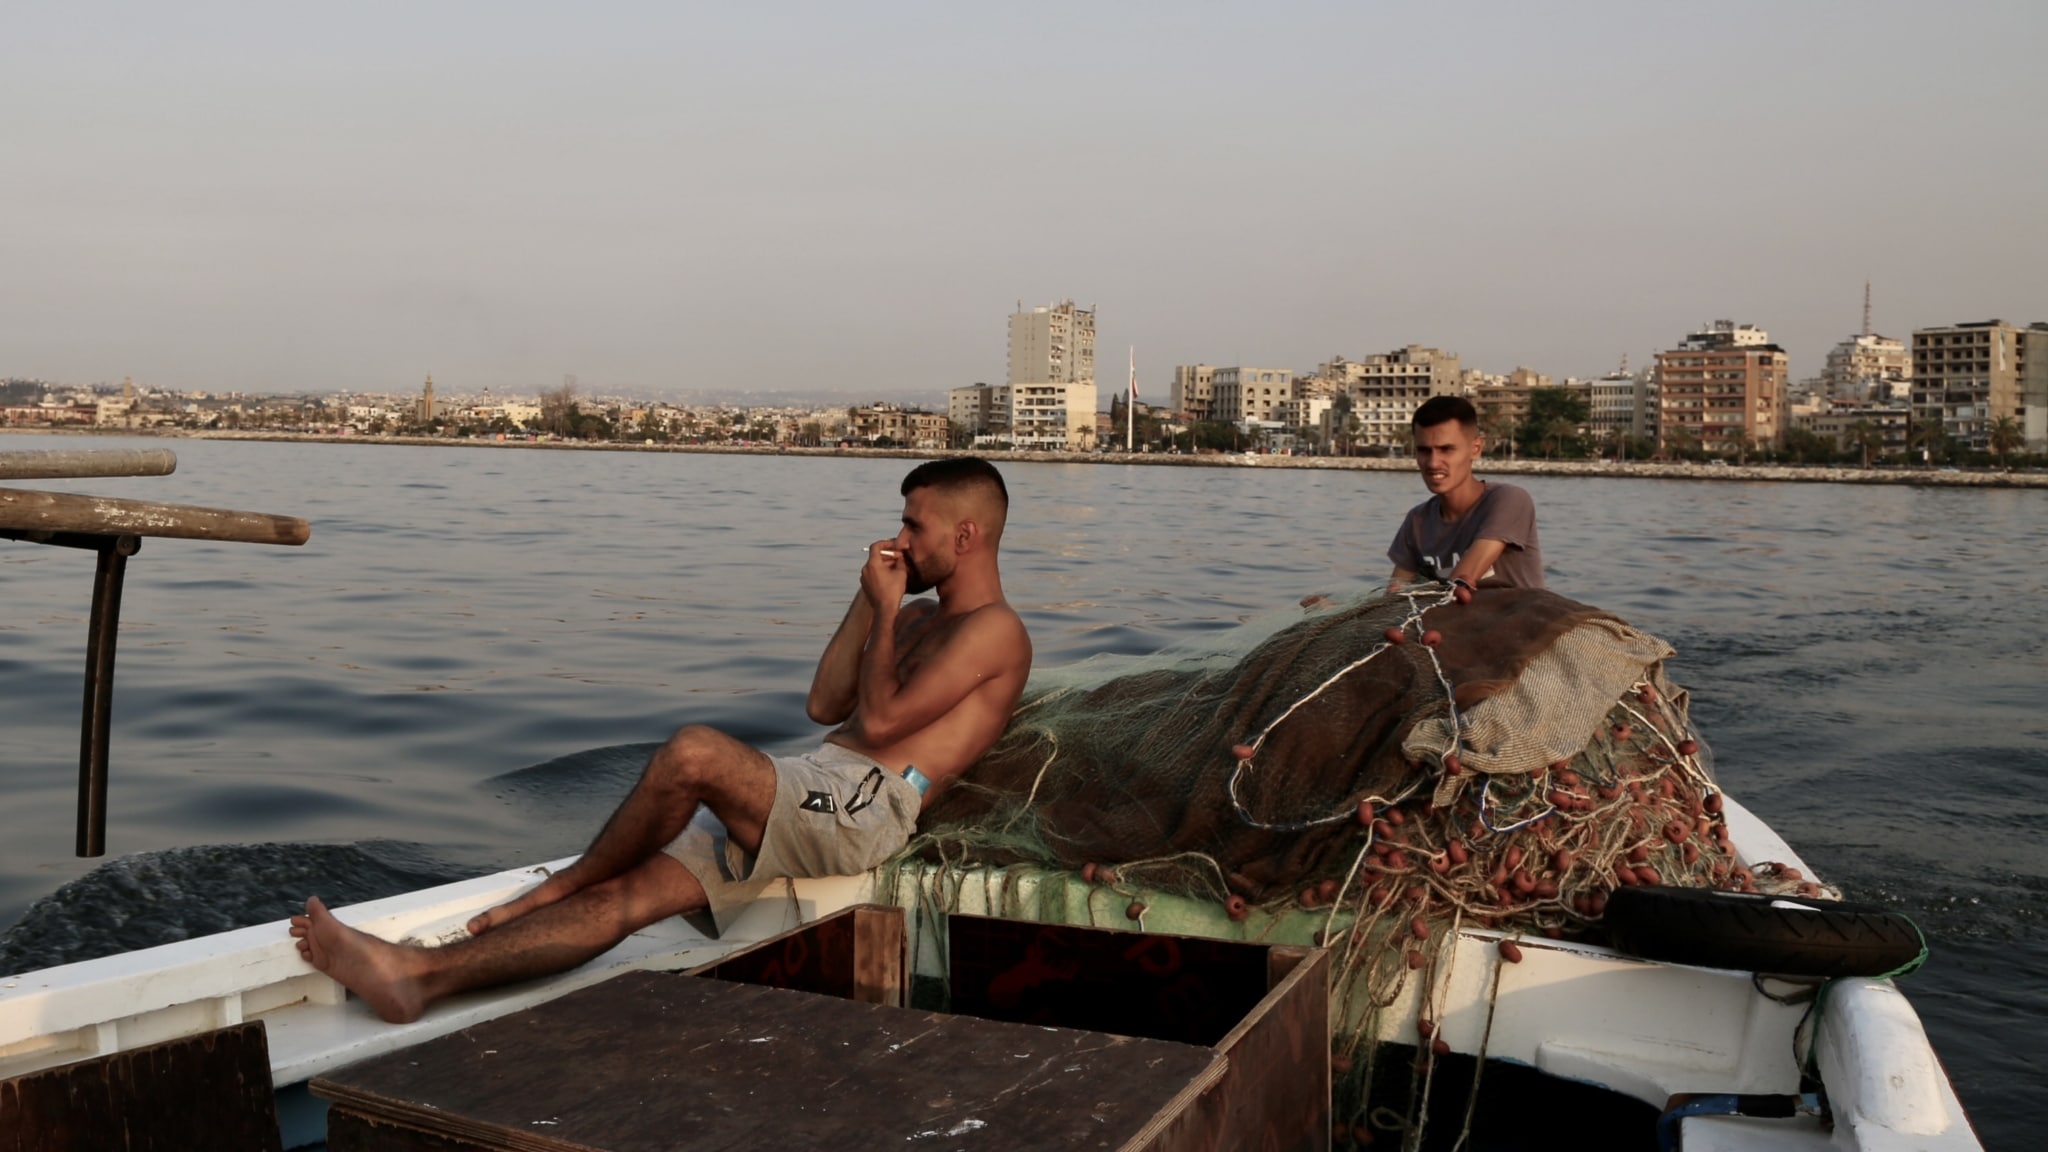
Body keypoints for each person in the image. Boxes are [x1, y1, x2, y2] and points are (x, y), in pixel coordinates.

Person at [291, 457, 1033, 1023]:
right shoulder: (913, 619)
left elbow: (876, 724)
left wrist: (887, 604)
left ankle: (557, 885)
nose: (899, 538)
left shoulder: (995, 631)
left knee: (694, 753)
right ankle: (419, 979)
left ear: (965, 536)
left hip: (863, 809)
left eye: (914, 526)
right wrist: (869, 600)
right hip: (812, 787)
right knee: (628, 899)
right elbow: (823, 702)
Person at [1386, 396, 1543, 592]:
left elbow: (1462, 582)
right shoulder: (1417, 520)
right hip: (1447, 620)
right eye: (1424, 451)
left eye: (1446, 449)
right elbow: (1394, 594)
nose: (1433, 463)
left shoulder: (1509, 500)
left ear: (1475, 449)